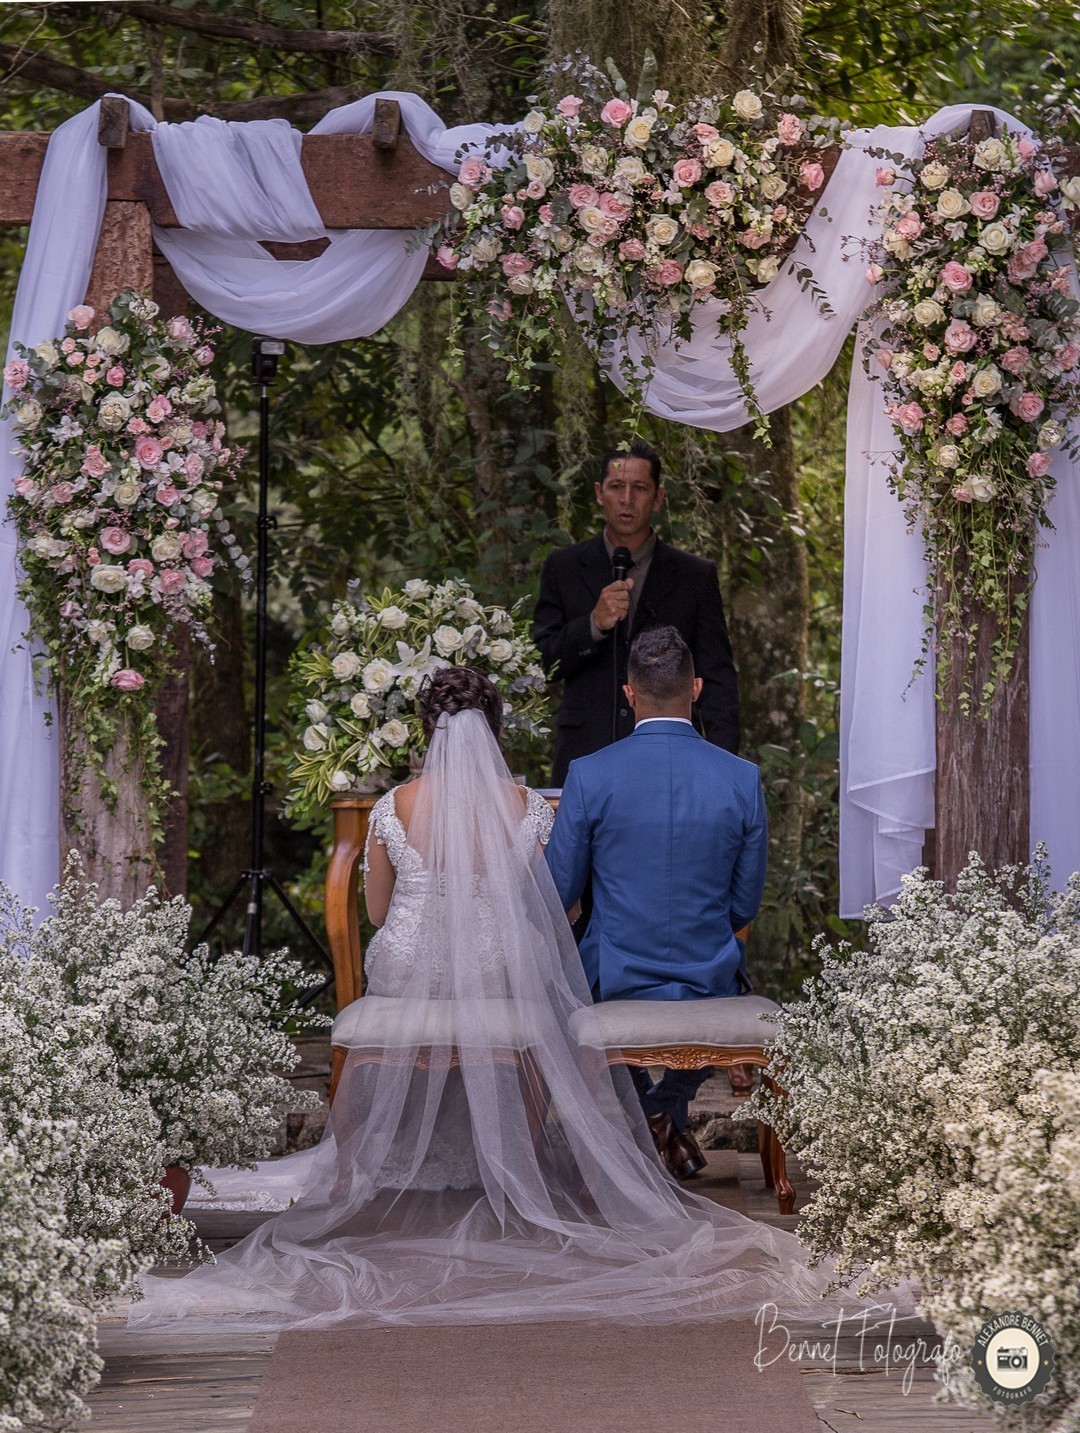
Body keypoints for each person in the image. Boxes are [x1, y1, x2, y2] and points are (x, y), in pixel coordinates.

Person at [129, 666, 835, 1332]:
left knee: (400, 951)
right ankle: (523, 1169)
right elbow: (550, 905)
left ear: (425, 727)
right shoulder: (528, 806)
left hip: (407, 969)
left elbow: (377, 911)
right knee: (542, 994)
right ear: (495, 730)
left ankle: (364, 1169)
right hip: (502, 967)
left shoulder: (392, 805)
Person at [544, 627, 768, 1179]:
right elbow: (745, 902)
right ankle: (669, 1116)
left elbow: (557, 892)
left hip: (614, 975)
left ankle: (653, 1113)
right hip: (709, 973)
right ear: (695, 689)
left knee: (563, 996)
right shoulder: (742, 779)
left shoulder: (590, 774)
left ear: (629, 694)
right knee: (730, 979)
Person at [532, 438, 739, 787]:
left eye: (639, 488)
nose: (627, 499)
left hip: (671, 763)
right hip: (586, 756)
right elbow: (541, 663)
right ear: (599, 493)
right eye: (616, 487)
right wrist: (593, 625)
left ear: (658, 497)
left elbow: (717, 681)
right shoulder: (564, 567)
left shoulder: (693, 575)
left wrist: (722, 768)